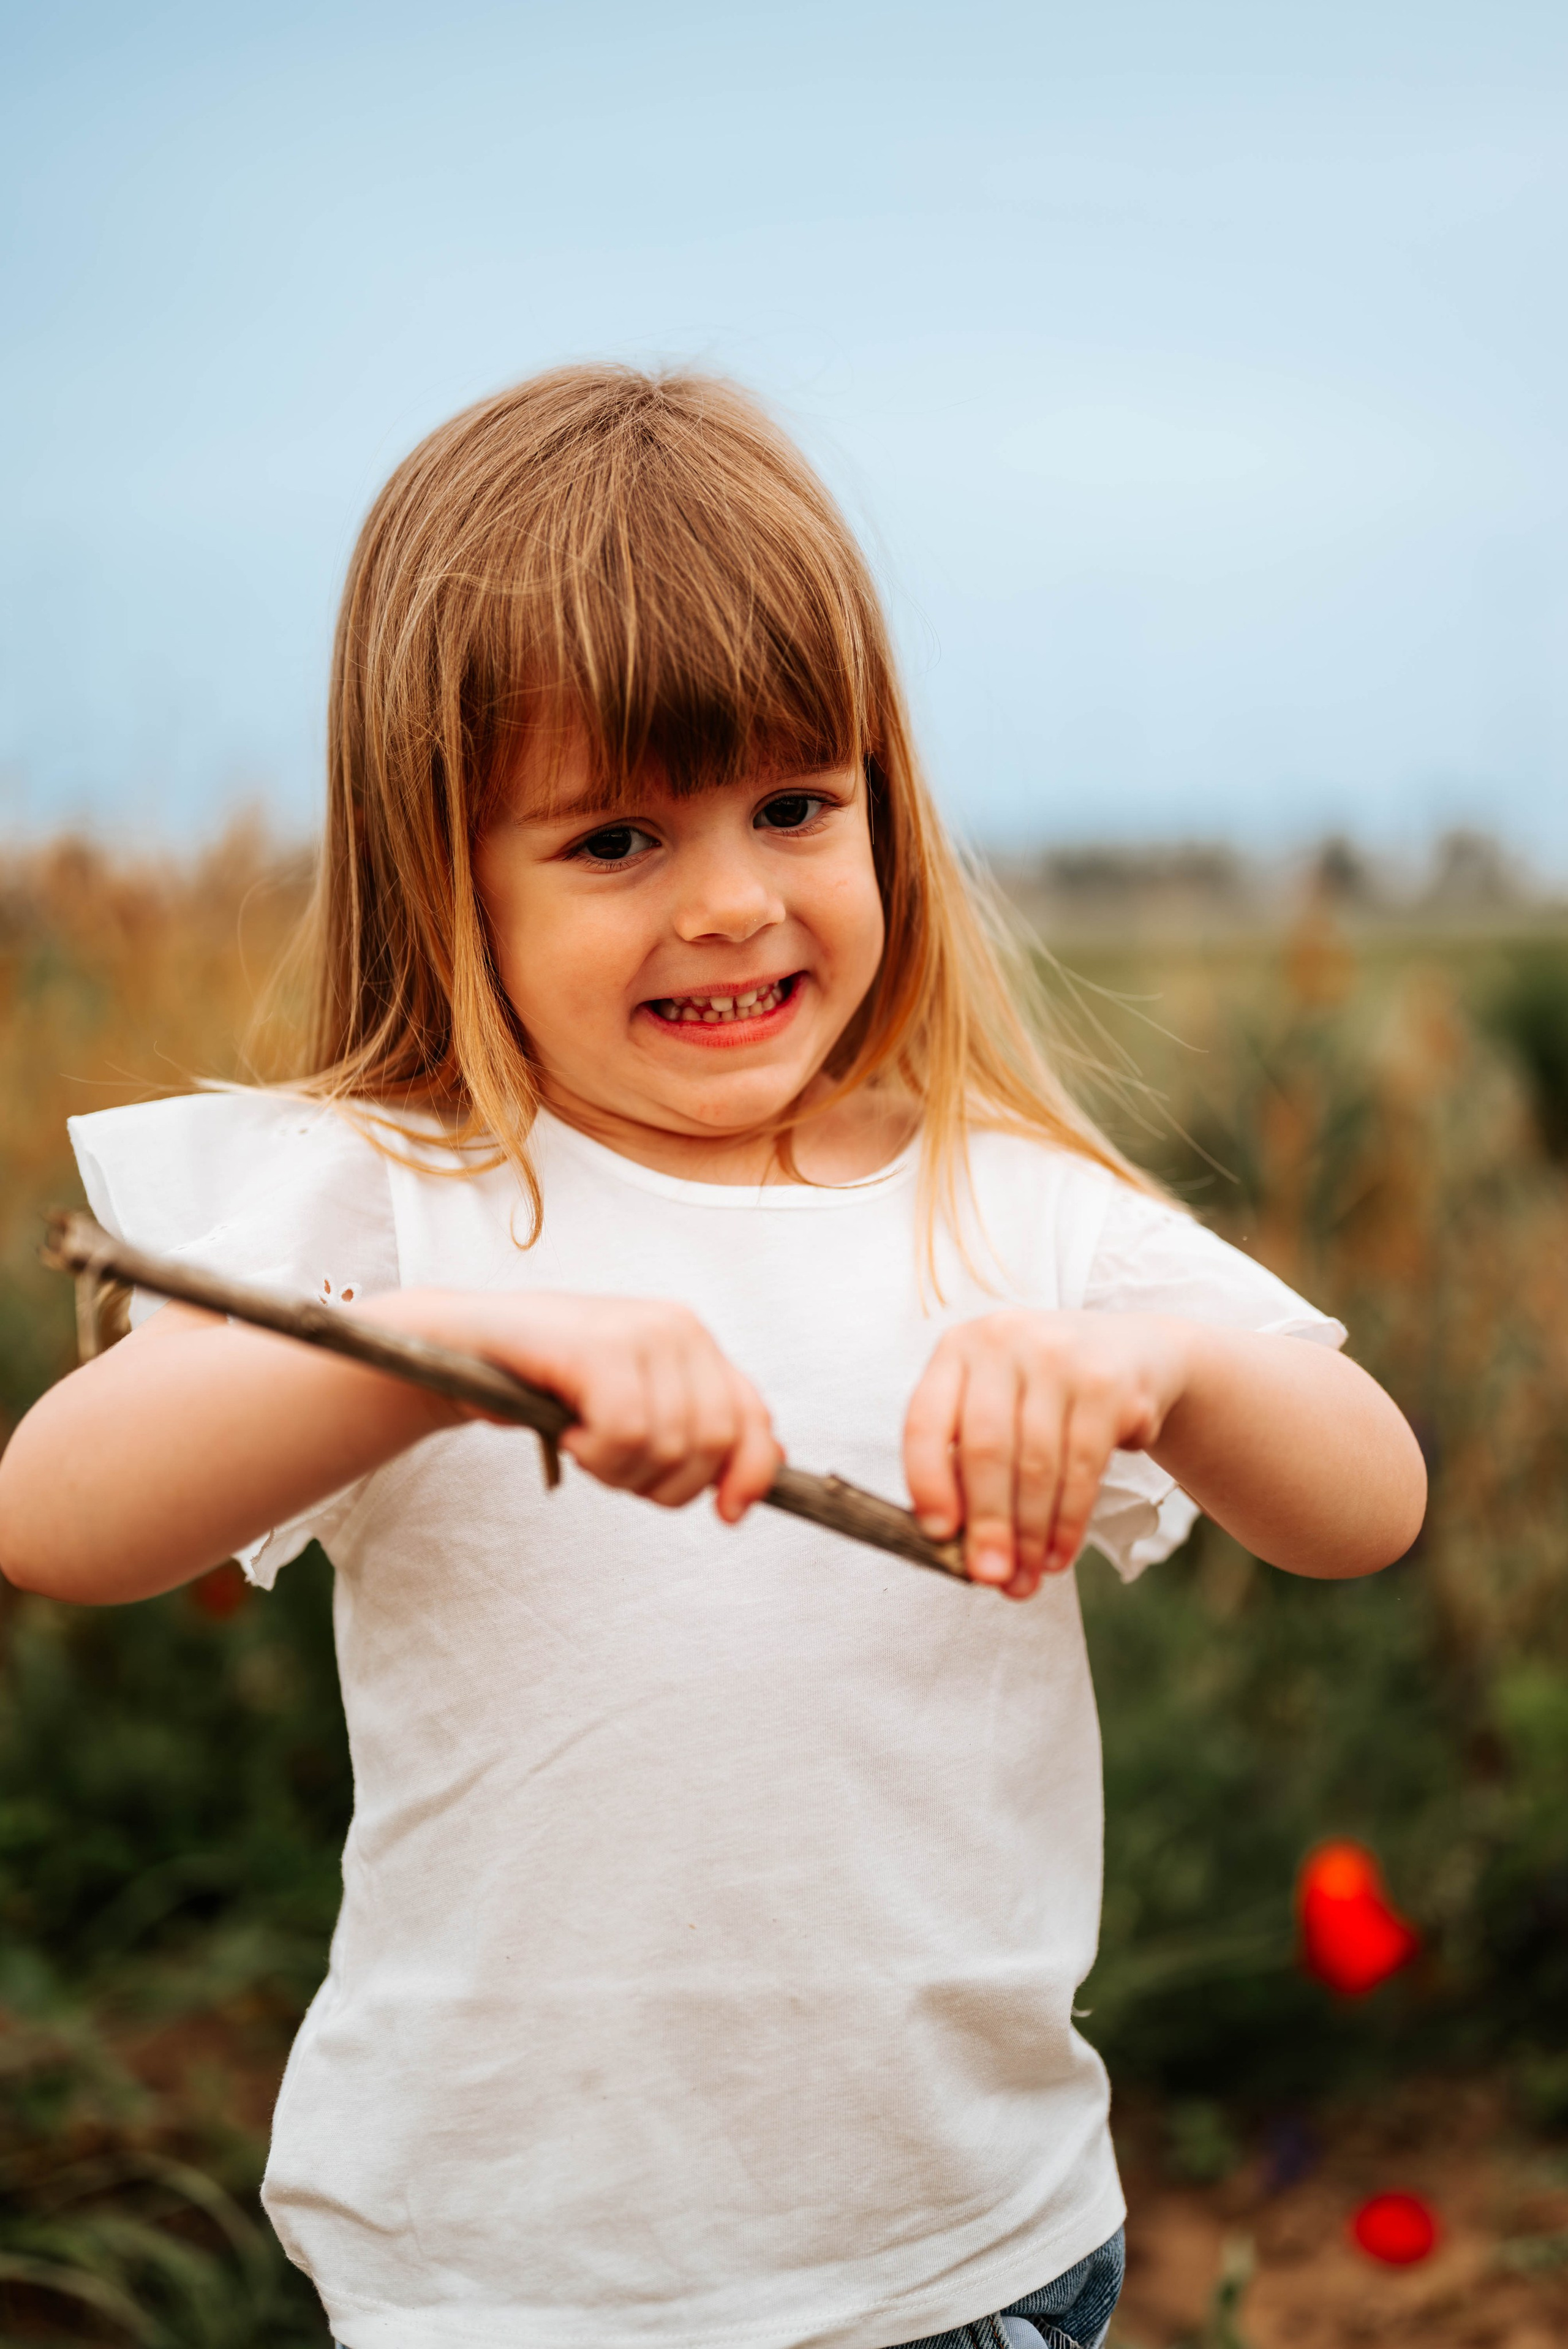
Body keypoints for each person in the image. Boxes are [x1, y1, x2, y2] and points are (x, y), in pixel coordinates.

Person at [0, 369, 1426, 2349]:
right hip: (503, 2280)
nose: (735, 898)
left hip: (968, 2264)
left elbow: (1368, 1500)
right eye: (616, 840)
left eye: (794, 805)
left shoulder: (1001, 1213)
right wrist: (439, 1347)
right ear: (448, 866)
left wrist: (1168, 1367)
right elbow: (62, 1515)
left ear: (883, 805)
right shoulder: (397, 1203)